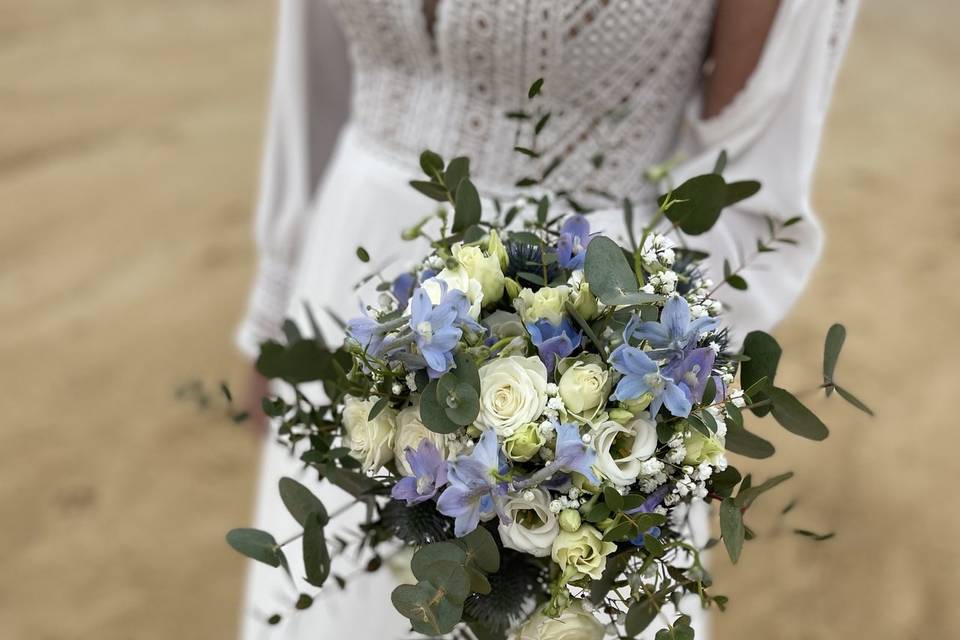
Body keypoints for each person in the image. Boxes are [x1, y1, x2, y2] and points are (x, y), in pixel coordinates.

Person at [235, 1, 859, 638]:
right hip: (349, 303)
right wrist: (277, 308)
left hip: (598, 341)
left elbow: (751, 186)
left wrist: (634, 411)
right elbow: (315, 82)